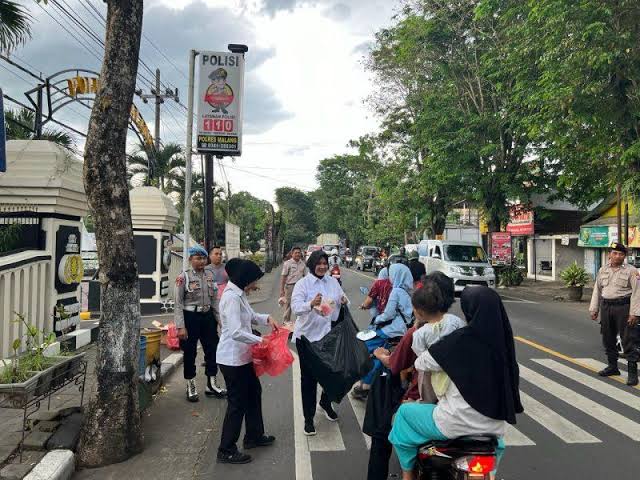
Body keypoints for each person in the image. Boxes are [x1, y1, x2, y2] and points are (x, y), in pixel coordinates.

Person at [389, 287, 523, 480]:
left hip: (453, 423)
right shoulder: (504, 348)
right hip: (493, 429)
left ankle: (407, 475)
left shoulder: (460, 340)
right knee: (497, 448)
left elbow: (421, 362)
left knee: (403, 414)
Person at [365, 274, 460, 480]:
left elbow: (395, 364)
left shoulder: (417, 334)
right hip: (459, 403)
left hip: (423, 399)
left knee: (383, 433)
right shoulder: (460, 327)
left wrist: (381, 355)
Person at [216, 259, 278, 464]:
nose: (255, 285)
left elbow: (251, 317)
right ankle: (226, 449)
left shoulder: (239, 294)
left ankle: (254, 436)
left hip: (242, 357)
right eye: (253, 281)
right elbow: (235, 332)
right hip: (232, 359)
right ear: (244, 279)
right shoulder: (231, 298)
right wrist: (262, 340)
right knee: (237, 403)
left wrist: (267, 318)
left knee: (253, 393)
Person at [291, 250, 347, 436]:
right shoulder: (303, 284)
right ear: (312, 264)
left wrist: (343, 300)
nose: (323, 266)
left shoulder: (332, 282)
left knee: (332, 374)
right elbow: (296, 308)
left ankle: (325, 401)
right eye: (319, 263)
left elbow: (339, 299)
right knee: (308, 380)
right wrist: (310, 304)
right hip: (307, 339)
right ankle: (309, 419)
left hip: (327, 337)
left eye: (325, 263)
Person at [352, 263, 413, 400]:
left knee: (365, 348)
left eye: (391, 274)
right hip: (401, 331)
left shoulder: (396, 291)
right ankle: (371, 384)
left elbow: (388, 314)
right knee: (381, 354)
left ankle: (366, 384)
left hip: (390, 330)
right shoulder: (407, 292)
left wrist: (376, 320)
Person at [174, 245, 226, 402]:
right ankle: (191, 384)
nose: (202, 261)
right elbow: (178, 304)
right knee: (190, 352)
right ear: (190, 260)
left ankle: (211, 384)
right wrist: (180, 326)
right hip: (190, 317)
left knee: (212, 350)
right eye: (198, 258)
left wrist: (220, 320)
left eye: (203, 258)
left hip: (208, 316)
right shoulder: (184, 277)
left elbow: (214, 300)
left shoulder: (210, 275)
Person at [589, 242, 640, 386]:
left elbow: (637, 293)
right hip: (606, 306)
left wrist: (635, 313)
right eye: (615, 253)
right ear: (610, 254)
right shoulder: (602, 270)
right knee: (608, 337)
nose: (617, 256)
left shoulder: (632, 271)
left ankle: (632, 374)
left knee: (629, 339)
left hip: (623, 307)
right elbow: (597, 290)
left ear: (624, 256)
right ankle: (613, 367)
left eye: (621, 254)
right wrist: (594, 309)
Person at [279, 246, 307, 328]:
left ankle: (299, 324)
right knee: (289, 305)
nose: (298, 254)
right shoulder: (287, 263)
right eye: (296, 253)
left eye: (299, 252)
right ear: (292, 254)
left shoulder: (303, 264)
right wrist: (282, 290)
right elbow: (283, 277)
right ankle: (286, 323)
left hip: (300, 287)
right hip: (290, 286)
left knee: (300, 304)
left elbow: (305, 277)